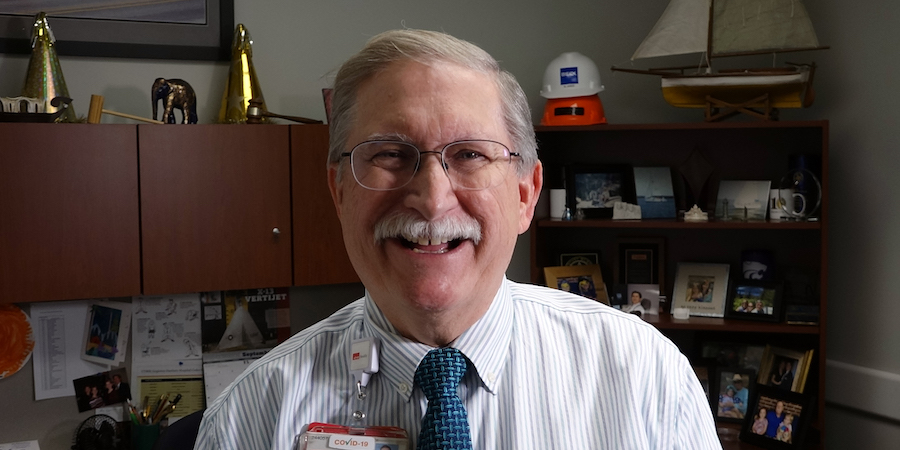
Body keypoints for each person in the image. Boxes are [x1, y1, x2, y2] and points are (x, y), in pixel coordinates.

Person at [194, 29, 719, 450]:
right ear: (338, 191)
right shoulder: (249, 419)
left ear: (526, 194)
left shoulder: (646, 377)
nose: (431, 197)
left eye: (469, 155)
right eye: (389, 154)